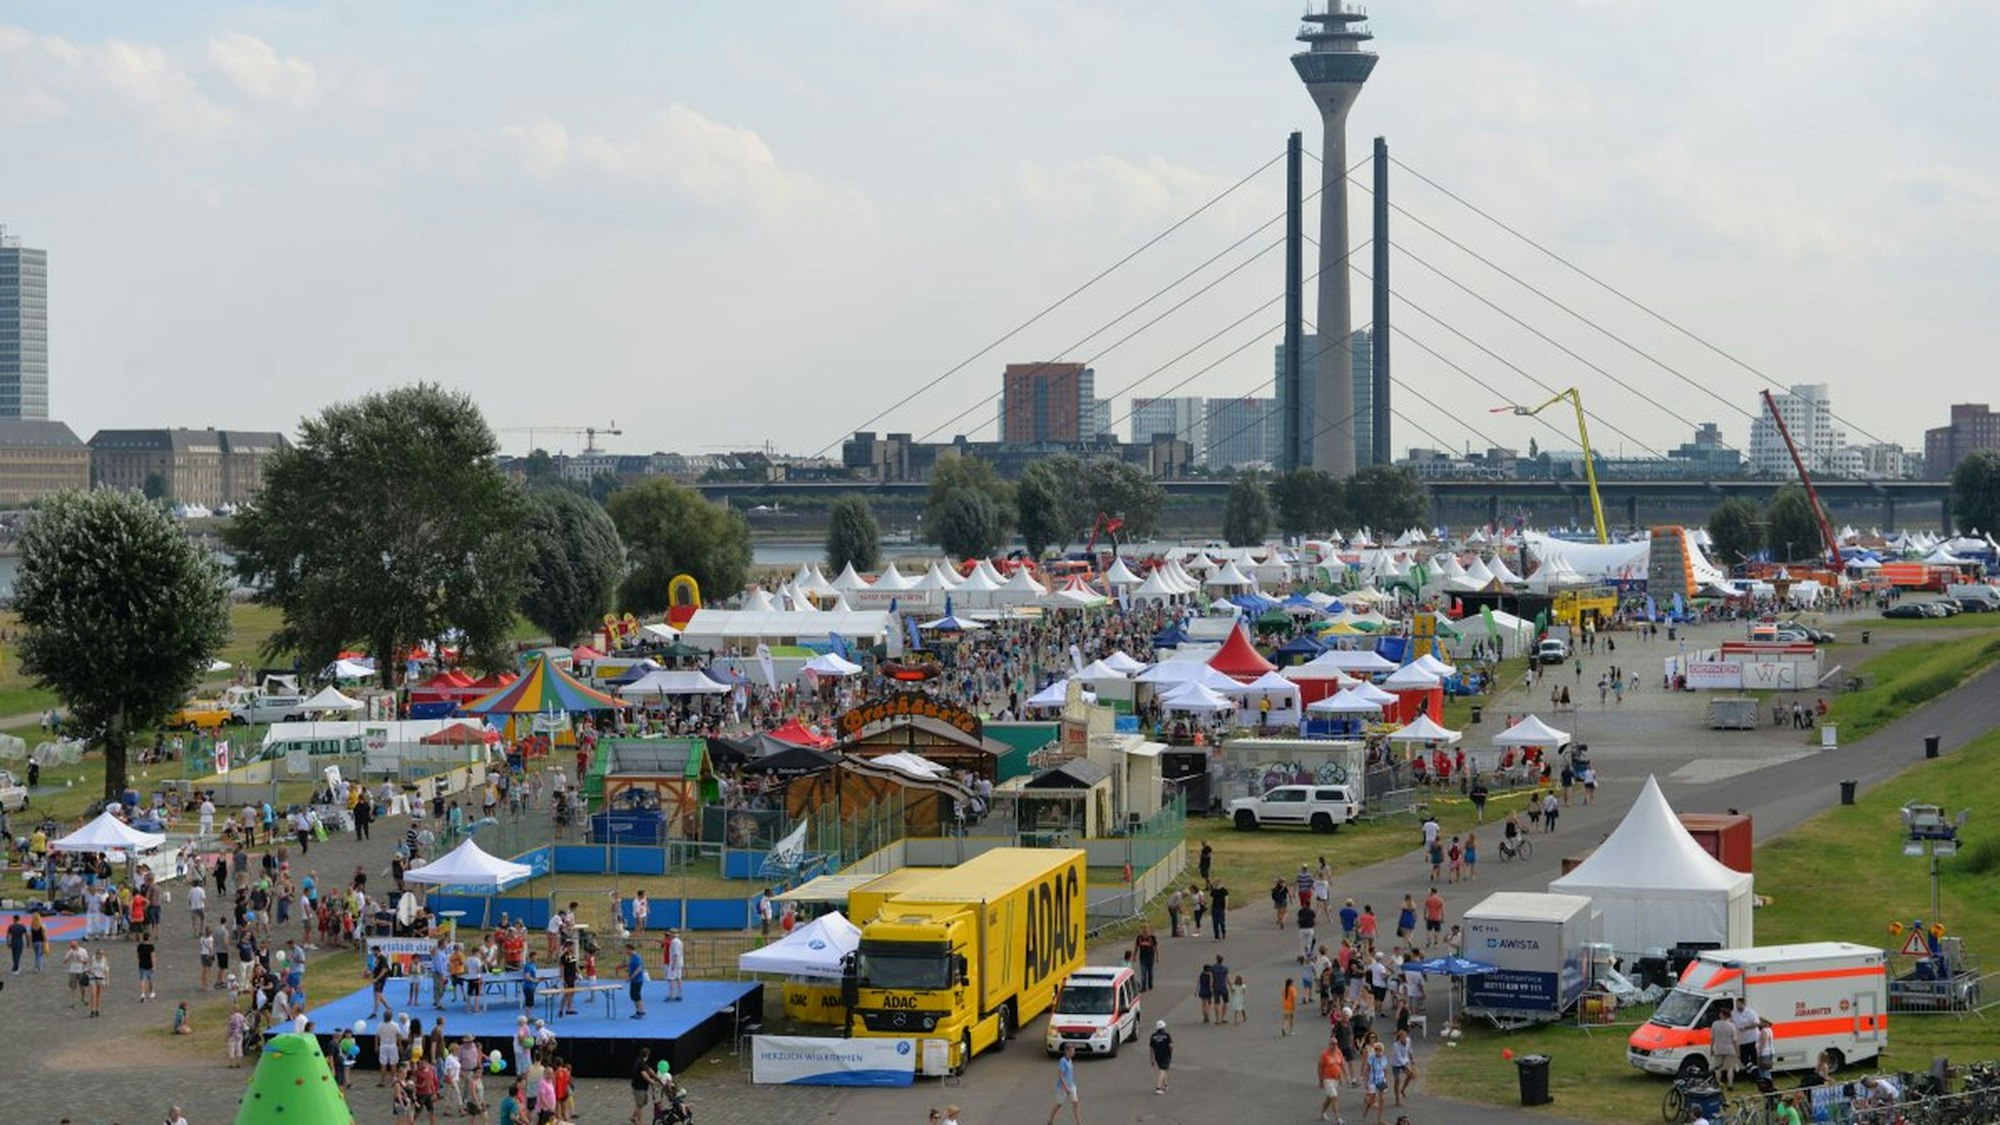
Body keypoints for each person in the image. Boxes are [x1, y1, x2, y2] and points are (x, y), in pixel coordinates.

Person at [1046, 1043, 1081, 1125]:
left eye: (1073, 1050)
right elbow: (1060, 1076)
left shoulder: (1070, 1060)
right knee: (1058, 1104)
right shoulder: (1062, 1061)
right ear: (1067, 1051)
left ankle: (1079, 1123)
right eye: (1072, 1051)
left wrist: (1071, 1085)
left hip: (1071, 1085)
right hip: (1062, 1088)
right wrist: (1066, 1087)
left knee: (1076, 1103)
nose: (1073, 1052)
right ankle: (1050, 1121)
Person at [628, 1048, 661, 1125]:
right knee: (639, 1104)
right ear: (647, 1055)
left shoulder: (643, 1062)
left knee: (643, 1102)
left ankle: (633, 1117)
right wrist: (652, 1081)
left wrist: (657, 1077)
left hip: (642, 1087)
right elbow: (644, 1075)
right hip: (638, 1087)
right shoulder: (640, 1063)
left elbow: (649, 1069)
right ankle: (640, 1122)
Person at [1318, 1034, 1346, 1122]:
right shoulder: (1325, 1054)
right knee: (1334, 1097)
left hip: (1336, 1078)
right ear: (1329, 1044)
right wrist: (1320, 1080)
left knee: (1329, 1097)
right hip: (1327, 1079)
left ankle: (1322, 1112)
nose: (1334, 1045)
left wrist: (1345, 1077)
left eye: (1335, 1044)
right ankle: (1338, 1118)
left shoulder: (1339, 1052)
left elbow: (1342, 1065)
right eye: (1332, 1044)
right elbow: (1320, 1067)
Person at [1708, 1009, 1738, 1090]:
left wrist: (1711, 1048)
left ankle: (1718, 1083)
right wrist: (1736, 1051)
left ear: (1722, 1015)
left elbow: (1712, 1038)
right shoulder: (1732, 1025)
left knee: (1717, 1067)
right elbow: (1734, 1040)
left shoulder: (1715, 1024)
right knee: (1730, 1068)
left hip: (1718, 1048)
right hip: (1729, 1048)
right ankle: (1730, 1084)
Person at [1364, 1041, 1390, 1124]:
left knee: (1381, 1100)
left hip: (1381, 1080)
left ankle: (1380, 1119)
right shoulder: (1371, 1058)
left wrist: (1386, 1079)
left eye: (1380, 1049)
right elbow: (1367, 1070)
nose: (1378, 1051)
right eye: (1376, 1049)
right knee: (1371, 1100)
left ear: (1383, 1050)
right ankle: (1366, 1110)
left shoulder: (1384, 1058)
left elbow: (1385, 1070)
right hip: (1372, 1081)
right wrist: (1366, 1082)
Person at [1390, 1027, 1416, 1105]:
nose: (1404, 1039)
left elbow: (1409, 1050)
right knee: (1397, 1080)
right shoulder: (1395, 1045)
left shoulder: (1408, 1040)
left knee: (1411, 1076)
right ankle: (1397, 1100)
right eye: (1402, 1037)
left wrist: (1412, 1060)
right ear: (1399, 1038)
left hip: (1405, 1061)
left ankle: (1403, 1089)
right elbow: (1399, 1057)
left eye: (1405, 1036)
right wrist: (1407, 1067)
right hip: (1396, 1064)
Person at [1149, 1019, 1173, 1094]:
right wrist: (1170, 1052)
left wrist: (1152, 1059)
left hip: (1157, 1056)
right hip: (1166, 1055)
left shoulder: (1153, 1036)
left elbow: (1151, 1048)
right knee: (1162, 1070)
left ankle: (1165, 1085)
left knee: (1163, 1068)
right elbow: (1171, 1046)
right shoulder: (1166, 1035)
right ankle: (1158, 1087)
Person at [1132, 924, 1158, 992]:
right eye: (1143, 929)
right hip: (1142, 959)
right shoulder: (1139, 938)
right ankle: (1143, 987)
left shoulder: (1152, 938)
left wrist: (1157, 956)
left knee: (1150, 973)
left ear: (1149, 929)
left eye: (1146, 928)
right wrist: (1134, 956)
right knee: (1143, 974)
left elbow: (1155, 948)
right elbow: (1136, 947)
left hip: (1150, 958)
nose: (1145, 930)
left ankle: (1150, 984)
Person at [624, 942, 647, 1020]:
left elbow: (639, 968)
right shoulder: (632, 957)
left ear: (630, 949)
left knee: (637, 995)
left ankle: (641, 1012)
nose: (625, 951)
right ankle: (638, 1011)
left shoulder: (637, 957)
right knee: (633, 995)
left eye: (626, 950)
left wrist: (631, 977)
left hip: (637, 980)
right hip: (634, 980)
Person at [663, 928, 685, 1001]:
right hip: (679, 963)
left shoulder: (674, 942)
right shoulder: (679, 941)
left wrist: (673, 965)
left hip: (674, 963)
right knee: (678, 978)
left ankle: (672, 995)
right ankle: (679, 994)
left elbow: (675, 954)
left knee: (671, 979)